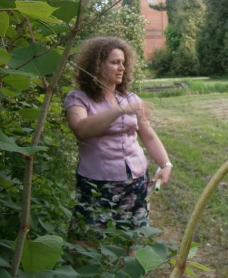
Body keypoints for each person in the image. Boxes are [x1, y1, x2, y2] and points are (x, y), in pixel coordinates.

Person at [65, 36, 172, 233]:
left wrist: (166, 164)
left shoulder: (131, 98)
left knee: (134, 237)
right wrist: (119, 110)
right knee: (86, 240)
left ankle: (130, 264)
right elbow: (81, 129)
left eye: (123, 62)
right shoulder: (77, 98)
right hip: (96, 184)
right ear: (97, 65)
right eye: (115, 62)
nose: (122, 68)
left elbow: (148, 135)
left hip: (136, 180)